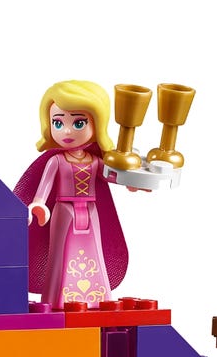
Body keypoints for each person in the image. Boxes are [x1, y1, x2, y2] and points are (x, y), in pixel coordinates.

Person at [11, 80, 130, 310]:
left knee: (94, 250)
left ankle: (97, 296)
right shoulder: (56, 161)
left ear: (98, 123)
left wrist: (133, 183)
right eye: (58, 122)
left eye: (78, 123)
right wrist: (38, 204)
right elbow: (43, 190)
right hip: (63, 211)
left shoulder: (95, 161)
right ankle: (59, 297)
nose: (66, 131)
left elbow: (113, 177)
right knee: (61, 253)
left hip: (91, 210)